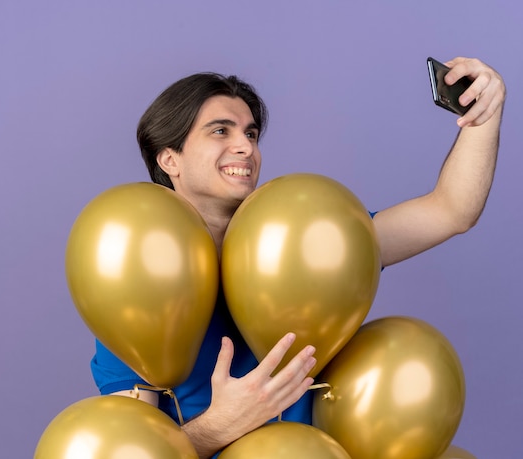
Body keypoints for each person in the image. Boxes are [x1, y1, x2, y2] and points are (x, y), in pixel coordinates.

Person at [91, 56, 505, 458]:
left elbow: (452, 210)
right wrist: (224, 423)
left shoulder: (307, 243)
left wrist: (484, 117)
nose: (245, 148)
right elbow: (138, 453)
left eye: (251, 135)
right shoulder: (132, 287)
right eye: (221, 131)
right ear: (169, 159)